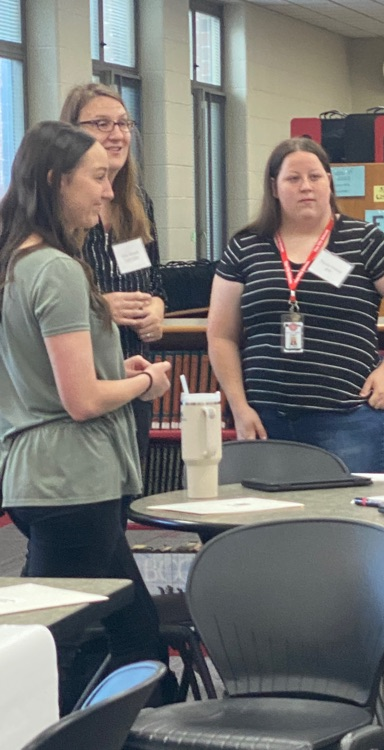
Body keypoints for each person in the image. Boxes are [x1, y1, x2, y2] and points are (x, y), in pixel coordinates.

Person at [0, 121, 175, 713]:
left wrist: (112, 367)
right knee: (57, 644)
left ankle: (151, 725)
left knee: (134, 629)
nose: (108, 190)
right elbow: (81, 401)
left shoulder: (14, 262)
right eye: (98, 177)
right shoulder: (57, 269)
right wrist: (145, 382)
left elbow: (41, 375)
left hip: (38, 475)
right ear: (57, 181)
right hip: (73, 480)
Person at [207, 137, 384, 473]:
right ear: (273, 188)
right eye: (293, 178)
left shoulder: (364, 240)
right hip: (264, 418)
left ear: (329, 182)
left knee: (346, 508)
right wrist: (239, 407)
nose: (306, 186)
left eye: (315, 177)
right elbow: (221, 335)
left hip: (347, 419)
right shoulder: (246, 247)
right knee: (267, 508)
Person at [60, 83, 166, 471]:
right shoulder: (60, 209)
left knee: (130, 484)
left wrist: (156, 309)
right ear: (72, 132)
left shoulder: (137, 203)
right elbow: (39, 297)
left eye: (123, 123)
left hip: (134, 371)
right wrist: (99, 307)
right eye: (102, 123)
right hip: (81, 378)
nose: (117, 134)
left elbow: (155, 282)